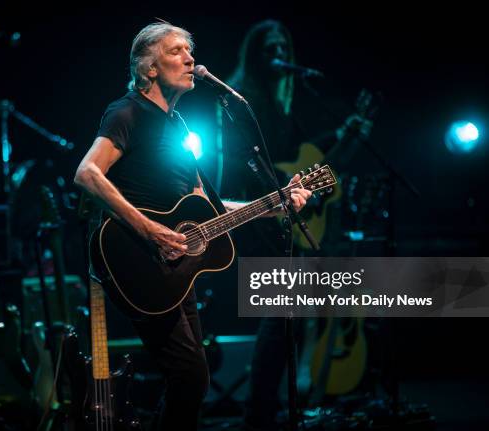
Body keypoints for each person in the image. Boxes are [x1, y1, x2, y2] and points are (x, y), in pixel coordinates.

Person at [73, 22, 312, 431]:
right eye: (176, 51)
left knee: (192, 379)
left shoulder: (180, 125)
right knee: (190, 376)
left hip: (173, 270)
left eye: (190, 51)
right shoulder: (127, 111)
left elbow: (210, 208)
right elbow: (88, 173)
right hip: (136, 259)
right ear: (148, 68)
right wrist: (150, 230)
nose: (190, 59)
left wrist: (277, 203)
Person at [218, 20, 372, 431]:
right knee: (282, 311)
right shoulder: (240, 99)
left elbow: (305, 154)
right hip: (252, 212)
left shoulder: (284, 103)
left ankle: (273, 410)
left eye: (282, 46)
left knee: (289, 313)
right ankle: (260, 414)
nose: (277, 53)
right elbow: (235, 162)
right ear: (254, 54)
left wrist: (345, 134)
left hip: (277, 211)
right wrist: (279, 193)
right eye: (268, 47)